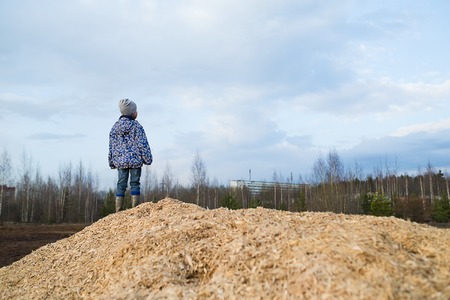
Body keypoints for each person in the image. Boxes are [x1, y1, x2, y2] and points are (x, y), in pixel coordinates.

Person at [108, 99, 153, 212]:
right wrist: (148, 159)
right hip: (135, 160)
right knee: (135, 183)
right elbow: (143, 144)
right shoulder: (137, 127)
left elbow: (112, 146)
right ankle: (135, 209)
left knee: (121, 184)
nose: (137, 112)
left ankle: (118, 210)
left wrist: (111, 161)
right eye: (135, 110)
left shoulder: (115, 127)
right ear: (132, 112)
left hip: (121, 161)